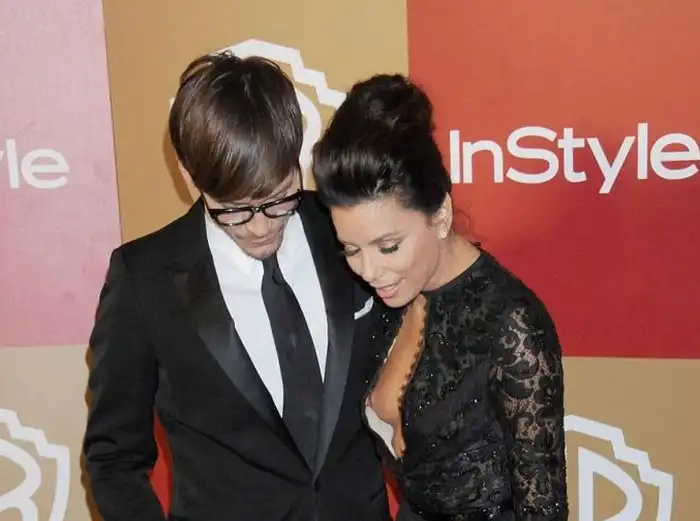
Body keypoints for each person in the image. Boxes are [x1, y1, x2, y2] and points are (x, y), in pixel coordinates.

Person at [82, 52, 391, 521]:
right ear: (188, 175)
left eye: (278, 199)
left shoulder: (347, 230)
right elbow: (113, 458)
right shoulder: (144, 280)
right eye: (234, 209)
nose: (260, 227)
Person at [311, 74, 569, 521]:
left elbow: (543, 510)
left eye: (389, 246)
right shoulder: (392, 297)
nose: (370, 271)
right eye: (351, 249)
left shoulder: (512, 325)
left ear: (441, 215)